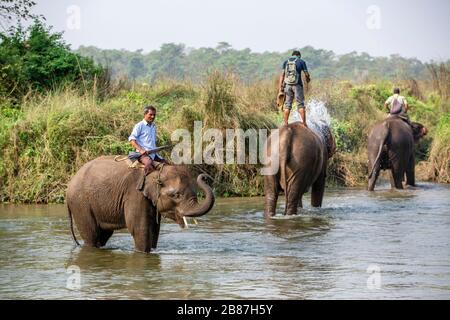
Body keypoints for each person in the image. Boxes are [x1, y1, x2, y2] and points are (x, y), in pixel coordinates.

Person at [128, 105, 167, 174]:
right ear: (145, 114)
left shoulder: (153, 126)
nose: (153, 117)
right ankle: (145, 183)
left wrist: (157, 149)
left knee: (166, 164)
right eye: (150, 114)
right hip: (143, 155)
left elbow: (151, 143)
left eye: (154, 115)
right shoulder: (139, 126)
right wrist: (141, 150)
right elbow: (132, 140)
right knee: (149, 164)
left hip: (153, 154)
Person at [278, 50, 311, 126]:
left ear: (292, 55)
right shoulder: (301, 61)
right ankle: (304, 123)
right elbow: (306, 74)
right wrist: (308, 79)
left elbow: (282, 75)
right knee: (300, 104)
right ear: (299, 55)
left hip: (287, 85)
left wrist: (281, 87)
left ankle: (286, 123)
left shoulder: (286, 62)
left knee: (287, 105)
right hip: (297, 85)